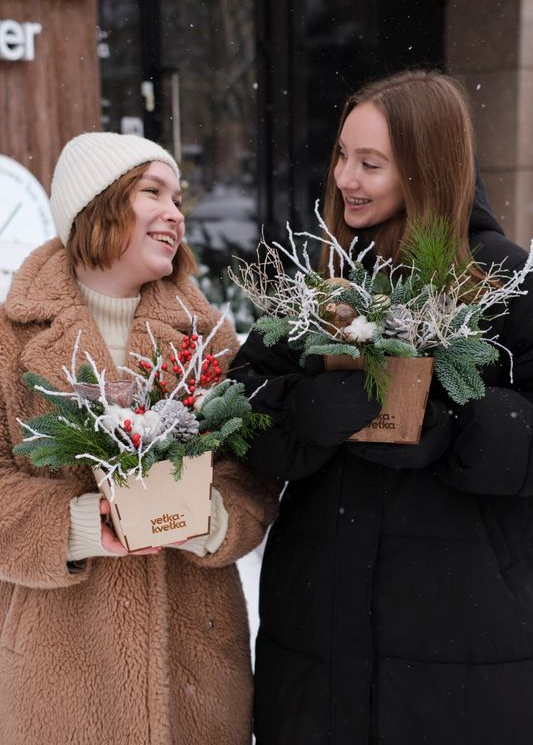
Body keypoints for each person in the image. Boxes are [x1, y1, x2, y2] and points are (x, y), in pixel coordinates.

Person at [231, 70, 533, 744]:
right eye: (341, 155)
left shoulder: (502, 281)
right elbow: (240, 403)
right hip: (317, 636)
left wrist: (455, 425)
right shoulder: (324, 286)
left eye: (370, 163)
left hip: (461, 643)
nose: (344, 178)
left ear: (427, 168)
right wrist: (301, 412)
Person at [0, 132, 277, 745]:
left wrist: (209, 517)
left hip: (196, 670)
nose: (175, 212)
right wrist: (75, 524)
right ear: (96, 207)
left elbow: (255, 471)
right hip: (59, 672)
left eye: (178, 197)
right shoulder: (10, 340)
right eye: (152, 192)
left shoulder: (209, 338)